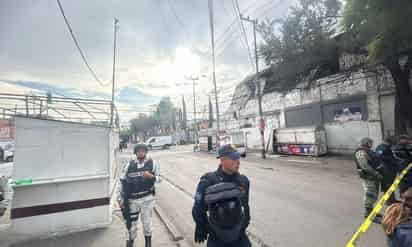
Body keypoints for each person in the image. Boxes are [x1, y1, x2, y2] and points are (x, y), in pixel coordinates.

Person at [192, 144, 251, 247]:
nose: (238, 162)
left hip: (240, 238)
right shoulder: (208, 181)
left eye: (238, 157)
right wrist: (202, 226)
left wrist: (243, 225)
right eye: (233, 158)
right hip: (217, 239)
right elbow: (198, 209)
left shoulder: (243, 181)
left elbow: (245, 206)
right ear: (222, 160)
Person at [117, 143, 160, 247]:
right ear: (135, 152)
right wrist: (120, 198)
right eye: (138, 151)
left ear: (146, 152)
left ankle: (148, 243)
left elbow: (160, 179)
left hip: (147, 199)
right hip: (132, 200)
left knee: (147, 223)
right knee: (131, 225)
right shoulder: (129, 165)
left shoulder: (153, 163)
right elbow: (121, 181)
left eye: (143, 151)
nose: (141, 152)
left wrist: (152, 177)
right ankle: (130, 242)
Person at [354, 137, 384, 223]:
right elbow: (364, 166)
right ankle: (368, 215)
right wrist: (376, 173)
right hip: (369, 177)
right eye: (370, 143)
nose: (371, 144)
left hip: (374, 177)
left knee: (374, 195)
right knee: (370, 195)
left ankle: (372, 212)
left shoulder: (368, 151)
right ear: (366, 143)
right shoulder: (360, 152)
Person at [376, 136, 398, 205]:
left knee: (390, 185)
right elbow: (379, 156)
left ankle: (392, 199)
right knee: (387, 185)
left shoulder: (386, 147)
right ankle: (389, 201)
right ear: (387, 142)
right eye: (390, 142)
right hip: (386, 170)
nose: (391, 144)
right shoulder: (382, 147)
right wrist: (390, 159)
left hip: (390, 170)